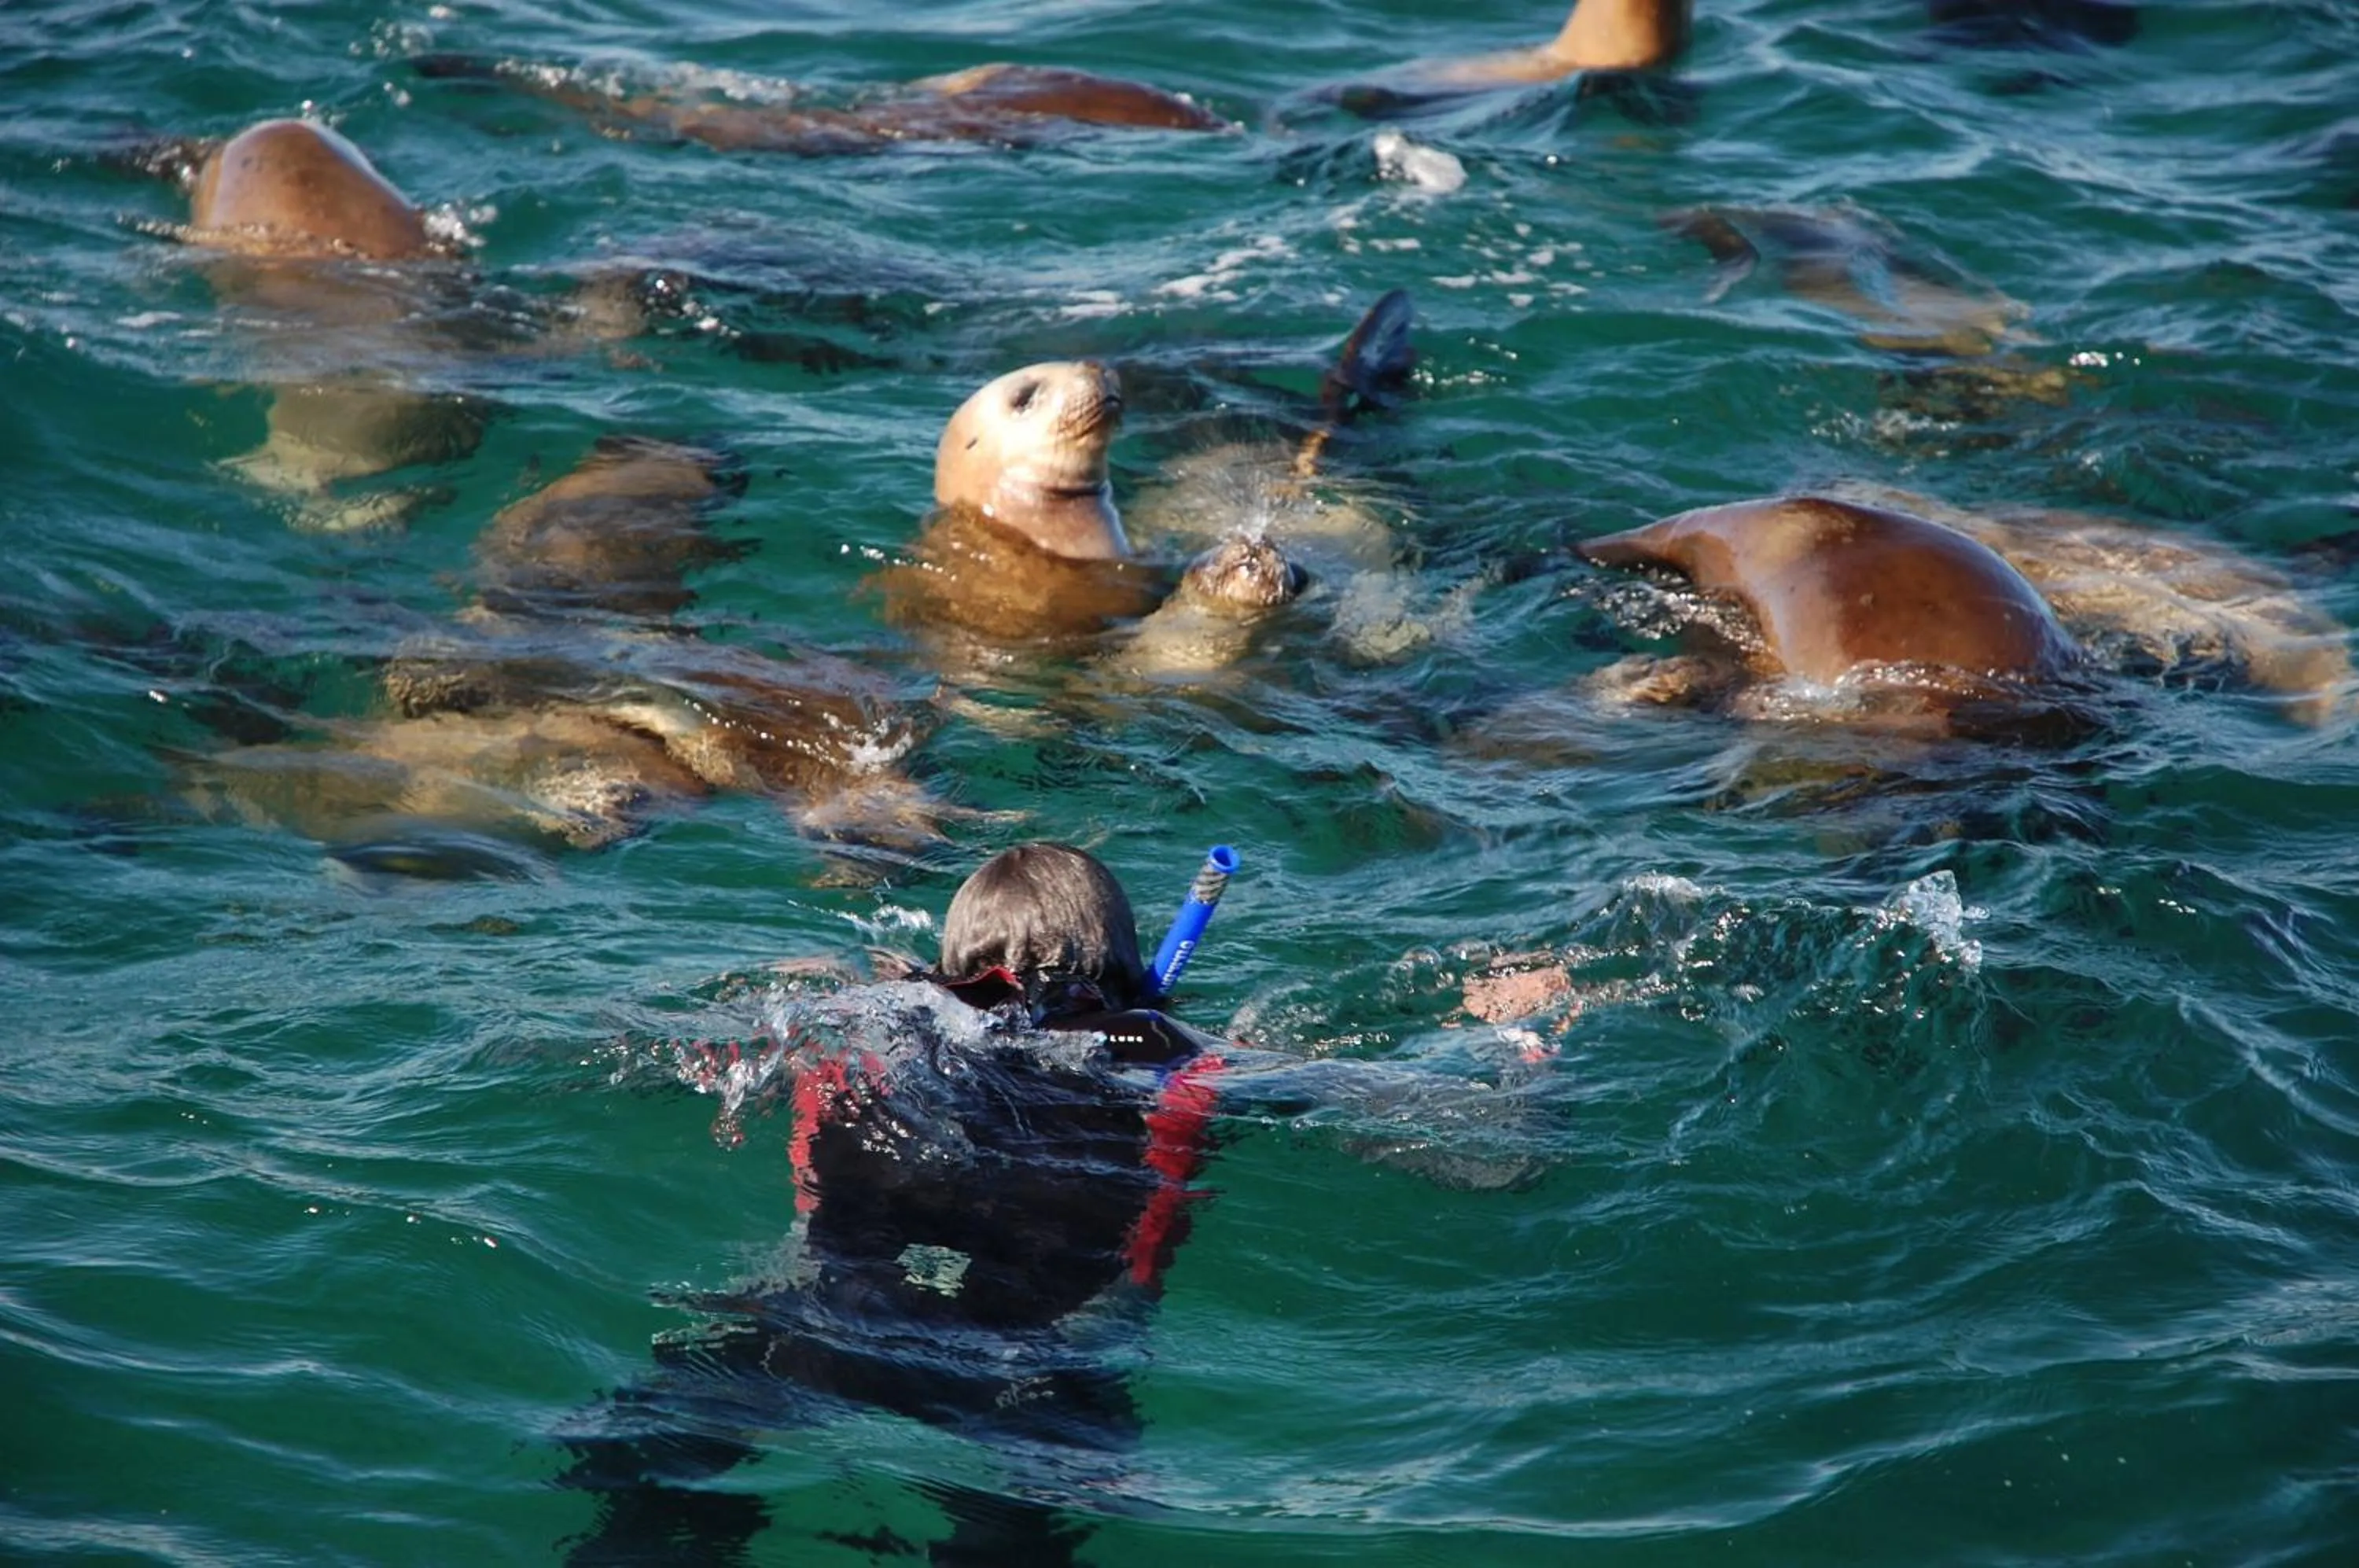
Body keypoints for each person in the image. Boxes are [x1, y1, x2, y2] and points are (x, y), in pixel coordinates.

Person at [557, 842, 1227, 1566]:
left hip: (831, 1317)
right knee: (1016, 1533)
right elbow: (1353, 1100)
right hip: (1032, 1370)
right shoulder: (1184, 1062)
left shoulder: (878, 1019)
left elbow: (713, 1053)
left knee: (651, 1479)